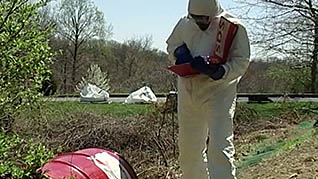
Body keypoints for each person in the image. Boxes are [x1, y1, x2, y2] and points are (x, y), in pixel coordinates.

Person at [166, 0, 251, 178]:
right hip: (188, 92)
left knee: (220, 148)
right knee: (189, 151)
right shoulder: (184, 24)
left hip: (219, 93)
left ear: (213, 14)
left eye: (204, 19)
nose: (200, 23)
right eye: (196, 18)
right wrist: (179, 55)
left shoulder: (233, 27)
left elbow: (241, 60)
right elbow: (172, 44)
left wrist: (221, 71)